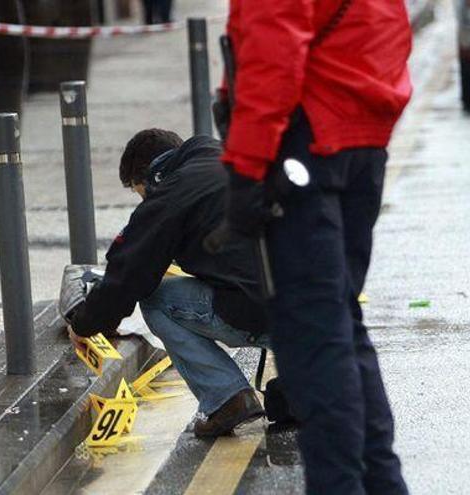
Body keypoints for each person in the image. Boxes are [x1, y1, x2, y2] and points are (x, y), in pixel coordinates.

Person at [217, 0, 412, 493]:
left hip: (307, 141)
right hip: (356, 138)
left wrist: (246, 163)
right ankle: (382, 484)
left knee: (313, 344)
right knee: (340, 327)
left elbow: (272, 44)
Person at [61, 129, 269, 437]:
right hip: (321, 302)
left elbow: (128, 277)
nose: (144, 200)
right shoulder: (225, 156)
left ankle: (228, 398)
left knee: (157, 299)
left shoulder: (169, 196)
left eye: (139, 192)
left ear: (150, 178)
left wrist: (85, 324)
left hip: (262, 312)